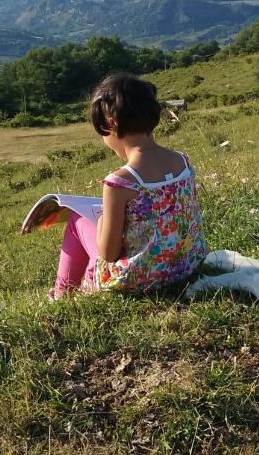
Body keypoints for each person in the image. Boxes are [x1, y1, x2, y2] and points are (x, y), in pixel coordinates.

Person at [50, 73, 207, 299]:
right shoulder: (182, 161)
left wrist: (103, 219)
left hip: (140, 280)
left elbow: (108, 253)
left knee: (76, 221)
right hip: (185, 266)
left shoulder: (120, 182)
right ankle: (76, 286)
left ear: (111, 123)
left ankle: (62, 295)